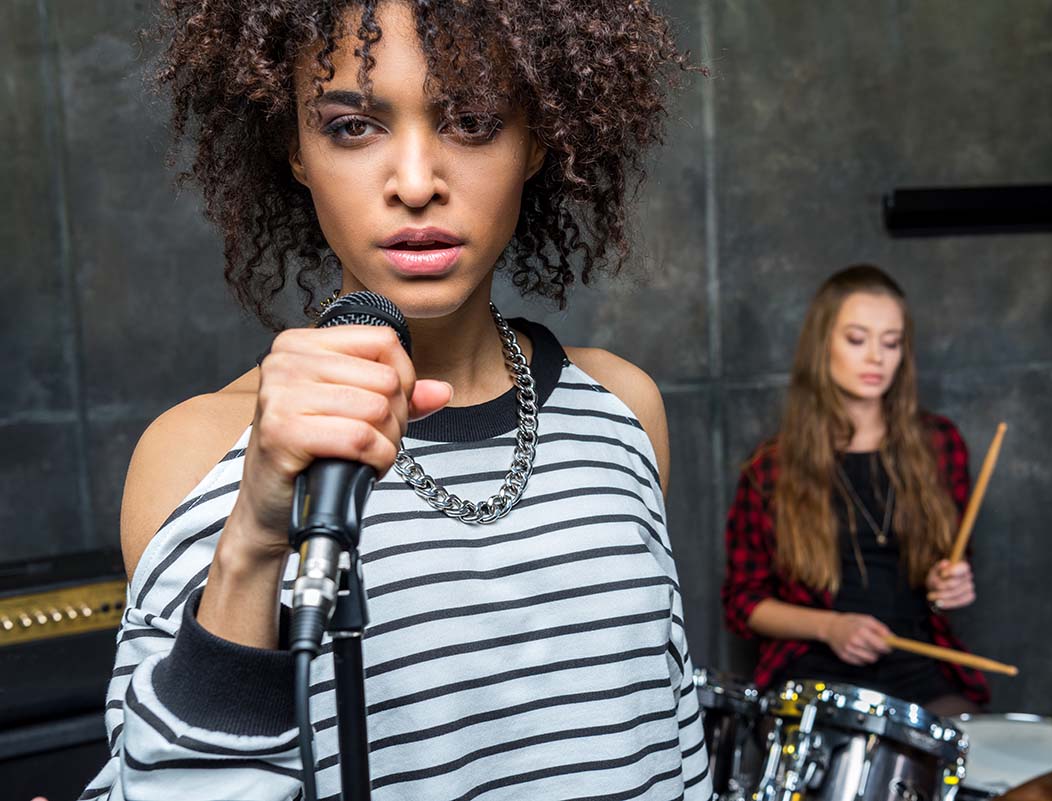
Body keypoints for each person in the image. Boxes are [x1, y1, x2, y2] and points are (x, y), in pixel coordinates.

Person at [81, 2, 710, 799]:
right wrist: (254, 542)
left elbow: (675, 748)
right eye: (352, 127)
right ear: (296, 151)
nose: (416, 183)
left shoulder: (623, 410)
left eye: (473, 120)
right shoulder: (196, 454)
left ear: (539, 137)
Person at [721, 264, 989, 717]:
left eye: (891, 343)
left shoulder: (942, 444)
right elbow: (742, 604)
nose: (876, 358)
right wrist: (830, 627)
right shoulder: (772, 467)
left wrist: (952, 581)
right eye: (857, 339)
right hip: (814, 669)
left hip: (918, 662)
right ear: (822, 345)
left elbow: (952, 562)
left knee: (970, 766)